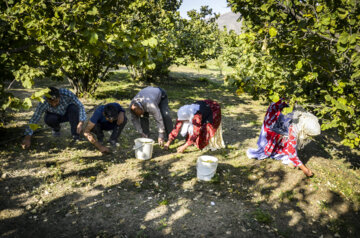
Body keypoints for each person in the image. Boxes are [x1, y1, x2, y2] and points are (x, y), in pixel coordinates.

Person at [246, 99, 321, 177]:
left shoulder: (302, 119)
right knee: (277, 145)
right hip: (273, 124)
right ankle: (277, 150)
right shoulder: (294, 130)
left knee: (288, 143)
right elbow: (292, 152)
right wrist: (304, 169)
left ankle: (282, 152)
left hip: (277, 120)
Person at [22, 87, 86, 149]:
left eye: (56, 101)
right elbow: (35, 118)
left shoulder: (66, 93)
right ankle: (56, 128)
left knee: (74, 108)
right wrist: (27, 138)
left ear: (59, 97)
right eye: (51, 102)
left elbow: (80, 106)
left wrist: (81, 122)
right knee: (49, 119)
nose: (54, 104)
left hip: (68, 114)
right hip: (53, 116)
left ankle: (76, 135)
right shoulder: (43, 102)